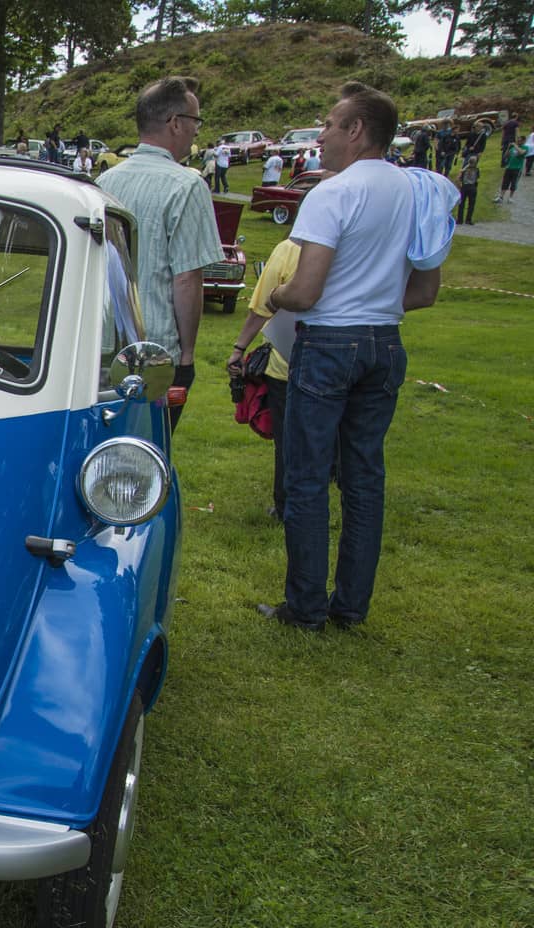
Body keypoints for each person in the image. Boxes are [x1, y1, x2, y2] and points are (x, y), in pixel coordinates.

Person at [256, 81, 442, 630]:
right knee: (364, 475)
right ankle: (351, 605)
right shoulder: (418, 190)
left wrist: (277, 297)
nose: (322, 134)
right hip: (384, 341)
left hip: (330, 341)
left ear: (357, 131)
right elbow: (426, 291)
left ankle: (307, 605)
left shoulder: (333, 193)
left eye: (330, 124)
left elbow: (306, 290)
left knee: (308, 475)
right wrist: (375, 300)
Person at [95, 75, 222, 431]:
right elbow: (187, 278)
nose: (197, 131)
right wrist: (187, 356)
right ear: (175, 123)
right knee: (151, 449)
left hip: (102, 339)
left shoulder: (105, 182)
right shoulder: (187, 184)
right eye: (195, 121)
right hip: (155, 350)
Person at [229, 238, 301, 520]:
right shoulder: (357, 246)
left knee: (287, 440)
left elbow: (262, 305)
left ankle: (286, 506)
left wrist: (239, 348)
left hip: (287, 360)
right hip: (345, 361)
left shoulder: (289, 249)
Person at [495, 137, 525, 203]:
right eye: (517, 140)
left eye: (520, 141)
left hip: (517, 168)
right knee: (505, 183)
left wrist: (515, 145)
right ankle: (501, 197)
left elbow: (522, 153)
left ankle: (510, 198)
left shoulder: (525, 147)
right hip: (509, 168)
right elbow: (505, 156)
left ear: (523, 141)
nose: (518, 142)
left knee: (514, 183)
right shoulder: (512, 148)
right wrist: (508, 148)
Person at [457, 153, 480, 224]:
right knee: (471, 204)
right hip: (471, 186)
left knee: (462, 204)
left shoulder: (465, 170)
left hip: (466, 187)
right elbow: (477, 178)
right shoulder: (476, 169)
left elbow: (458, 178)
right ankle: (468, 219)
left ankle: (460, 219)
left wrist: (460, 185)